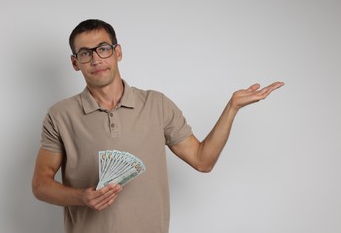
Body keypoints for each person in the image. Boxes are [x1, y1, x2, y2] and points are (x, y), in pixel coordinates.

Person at [32, 19, 284, 233]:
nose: (96, 59)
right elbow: (40, 185)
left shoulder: (156, 104)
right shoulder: (60, 115)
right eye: (85, 53)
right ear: (75, 62)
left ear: (118, 52)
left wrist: (232, 108)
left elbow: (202, 160)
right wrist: (81, 197)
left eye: (103, 48)